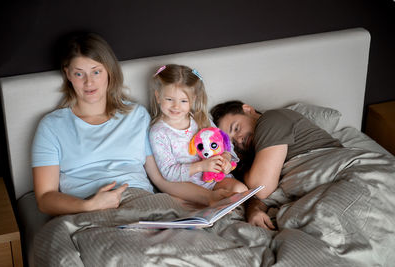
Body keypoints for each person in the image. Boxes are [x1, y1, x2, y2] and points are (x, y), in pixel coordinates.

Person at [32, 33, 230, 216]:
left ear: (109, 71)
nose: (89, 82)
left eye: (96, 72)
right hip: (83, 208)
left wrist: (209, 198)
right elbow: (45, 198)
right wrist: (88, 205)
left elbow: (161, 180)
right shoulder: (52, 126)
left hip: (141, 203)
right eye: (79, 74)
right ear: (67, 74)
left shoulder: (136, 116)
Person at [210, 100, 343, 229]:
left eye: (236, 128)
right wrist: (253, 209)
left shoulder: (270, 119)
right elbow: (263, 192)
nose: (239, 140)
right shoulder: (254, 157)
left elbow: (262, 188)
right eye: (232, 143)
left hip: (336, 168)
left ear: (247, 110)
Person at [149, 64, 248, 200]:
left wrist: (225, 158)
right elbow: (168, 172)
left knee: (241, 190)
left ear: (193, 100)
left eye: (183, 101)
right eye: (169, 99)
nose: (176, 106)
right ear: (158, 97)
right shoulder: (158, 132)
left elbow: (225, 144)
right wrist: (201, 166)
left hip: (215, 181)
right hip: (186, 189)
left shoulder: (201, 119)